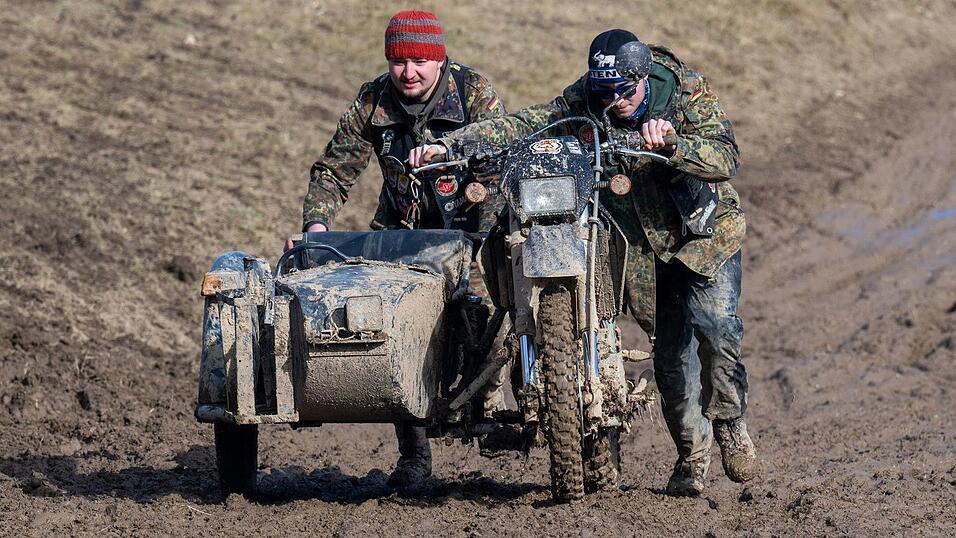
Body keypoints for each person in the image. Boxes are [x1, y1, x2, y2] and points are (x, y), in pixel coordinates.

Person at [408, 29, 757, 496]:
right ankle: (692, 458)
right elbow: (532, 122)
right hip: (638, 248)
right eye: (605, 92)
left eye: (624, 93)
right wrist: (453, 147)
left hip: (703, 236)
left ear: (643, 79)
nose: (614, 103)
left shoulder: (684, 90)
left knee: (714, 327)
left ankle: (730, 420)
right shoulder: (589, 97)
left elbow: (726, 155)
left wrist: (676, 145)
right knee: (671, 360)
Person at [295, 10, 507, 489]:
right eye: (398, 61)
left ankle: (489, 403)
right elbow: (334, 168)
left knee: (493, 318)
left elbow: (501, 160)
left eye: (419, 61)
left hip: (470, 233)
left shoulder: (474, 93)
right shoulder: (373, 101)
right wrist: (317, 223)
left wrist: (480, 228)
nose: (408, 72)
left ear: (439, 60)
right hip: (401, 235)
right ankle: (414, 453)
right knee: (393, 331)